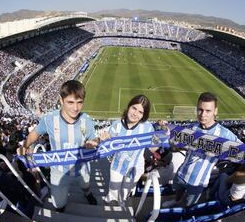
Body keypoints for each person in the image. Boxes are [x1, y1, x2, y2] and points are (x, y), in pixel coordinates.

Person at [163, 92, 245, 208]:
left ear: (215, 111)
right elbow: (177, 143)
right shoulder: (192, 127)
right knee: (178, 191)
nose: (203, 114)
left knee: (187, 206)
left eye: (208, 111)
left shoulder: (224, 134)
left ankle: (182, 212)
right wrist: (166, 131)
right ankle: (176, 201)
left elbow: (243, 150)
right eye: (200, 110)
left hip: (197, 182)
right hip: (182, 172)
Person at [23, 80, 99, 211]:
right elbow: (35, 133)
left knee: (85, 184)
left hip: (81, 168)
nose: (75, 108)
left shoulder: (86, 120)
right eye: (70, 102)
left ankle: (87, 193)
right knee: (58, 204)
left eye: (79, 102)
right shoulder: (49, 119)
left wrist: (94, 142)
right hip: (59, 171)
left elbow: (94, 137)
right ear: (61, 100)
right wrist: (25, 145)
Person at [103, 95, 155, 206]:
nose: (135, 114)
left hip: (135, 168)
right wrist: (103, 137)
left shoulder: (148, 127)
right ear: (129, 107)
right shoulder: (117, 124)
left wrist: (163, 140)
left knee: (125, 192)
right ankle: (111, 203)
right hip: (117, 165)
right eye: (134, 108)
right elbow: (109, 139)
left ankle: (121, 204)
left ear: (143, 115)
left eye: (140, 112)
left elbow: (153, 147)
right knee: (113, 190)